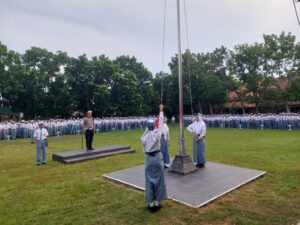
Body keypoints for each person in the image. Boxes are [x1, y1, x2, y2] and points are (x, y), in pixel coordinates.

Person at [140, 104, 167, 212]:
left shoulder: (143, 138)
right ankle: (157, 202)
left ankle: (151, 204)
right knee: (159, 181)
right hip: (157, 158)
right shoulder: (157, 135)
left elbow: (144, 148)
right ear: (153, 126)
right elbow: (160, 124)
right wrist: (161, 110)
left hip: (149, 160)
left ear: (147, 126)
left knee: (149, 181)